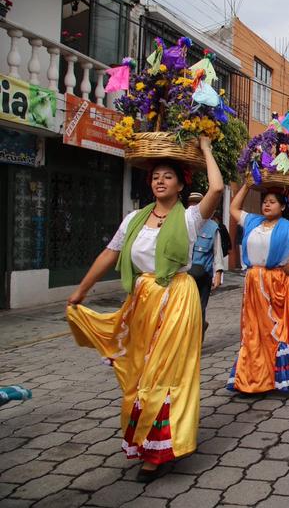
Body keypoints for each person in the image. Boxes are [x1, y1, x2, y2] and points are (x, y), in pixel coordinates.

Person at [66, 136, 222, 482]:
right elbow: (110, 254)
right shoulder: (134, 219)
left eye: (168, 176)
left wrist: (207, 149)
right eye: (155, 176)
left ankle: (161, 450)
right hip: (142, 300)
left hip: (178, 300)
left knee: (163, 374)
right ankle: (145, 440)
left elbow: (217, 188)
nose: (160, 181)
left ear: (181, 185)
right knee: (140, 371)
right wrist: (82, 290)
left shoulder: (191, 218)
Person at [225, 184, 289, 395]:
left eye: (272, 201)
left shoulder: (288, 228)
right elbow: (233, 208)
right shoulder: (253, 222)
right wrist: (247, 185)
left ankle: (276, 377)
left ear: (283, 206)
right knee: (252, 331)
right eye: (265, 201)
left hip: (276, 284)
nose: (267, 204)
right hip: (253, 284)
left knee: (274, 332)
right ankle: (252, 377)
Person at [187, 192, 224, 335]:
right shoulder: (181, 222)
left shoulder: (212, 227)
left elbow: (217, 251)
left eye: (197, 204)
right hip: (184, 275)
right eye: (192, 204)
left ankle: (198, 338)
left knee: (200, 308)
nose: (194, 207)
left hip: (203, 275)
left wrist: (218, 273)